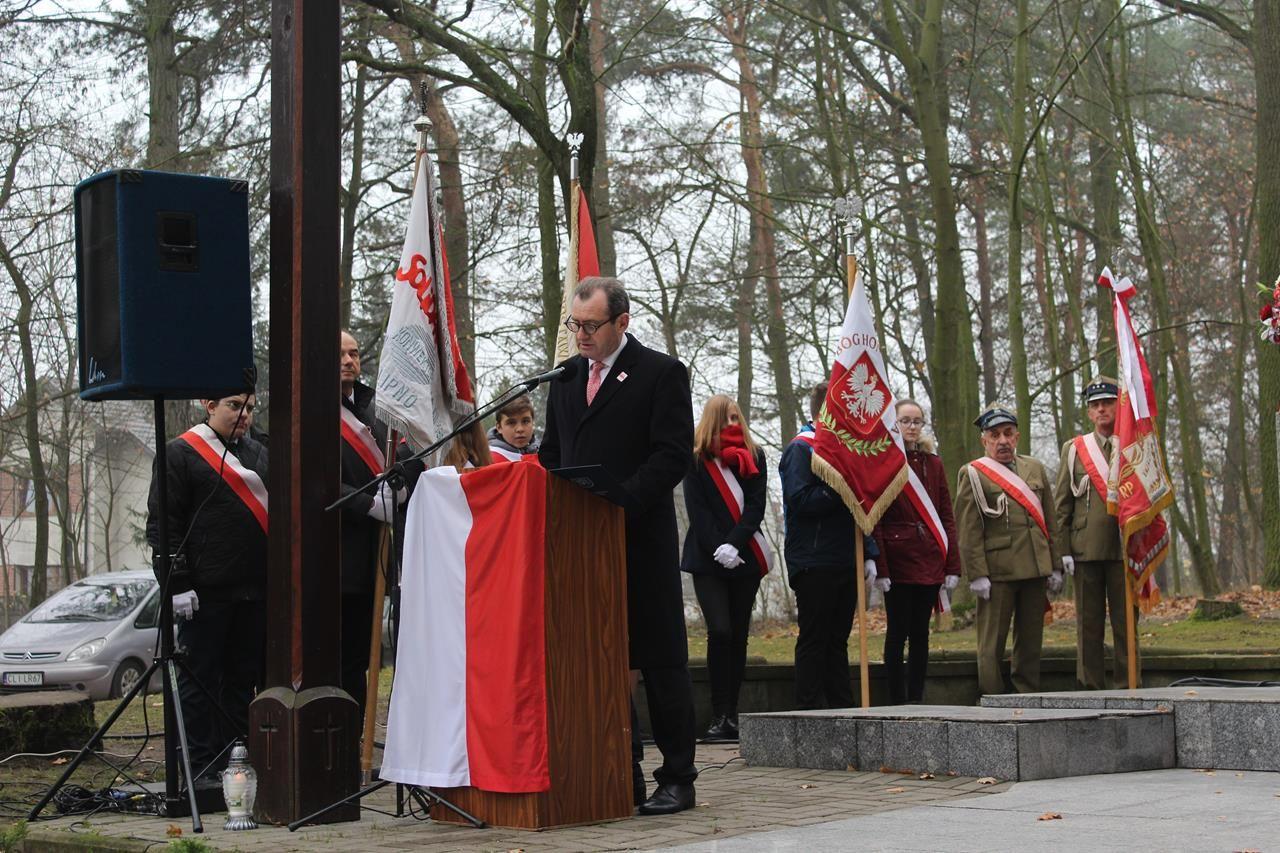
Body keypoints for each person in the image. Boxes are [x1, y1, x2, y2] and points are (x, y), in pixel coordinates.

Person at [539, 276, 698, 816]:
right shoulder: (563, 379)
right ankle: (616, 770)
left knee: (659, 660)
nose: (580, 335)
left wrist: (623, 501)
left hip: (638, 538)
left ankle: (678, 777)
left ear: (622, 323)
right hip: (579, 546)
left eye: (590, 326)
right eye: (574, 325)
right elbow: (552, 456)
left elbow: (673, 454)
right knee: (598, 660)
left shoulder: (660, 373)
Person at [146, 392, 266, 778]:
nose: (243, 415)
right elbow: (164, 525)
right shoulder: (180, 453)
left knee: (241, 683)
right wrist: (177, 582)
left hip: (253, 589)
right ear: (209, 405)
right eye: (234, 406)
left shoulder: (260, 453)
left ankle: (236, 764)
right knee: (200, 682)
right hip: (204, 592)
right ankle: (199, 766)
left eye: (248, 407)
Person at [779, 381, 881, 711]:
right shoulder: (802, 448)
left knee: (838, 640)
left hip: (844, 556)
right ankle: (809, 709)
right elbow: (799, 499)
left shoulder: (847, 451)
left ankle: (842, 707)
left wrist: (868, 551)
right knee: (815, 637)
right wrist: (840, 487)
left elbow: (860, 507)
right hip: (814, 558)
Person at [953, 403, 1063, 696]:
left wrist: (1055, 564)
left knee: (1030, 639)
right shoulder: (974, 474)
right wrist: (977, 574)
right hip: (998, 571)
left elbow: (1050, 520)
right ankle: (992, 696)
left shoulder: (1034, 468)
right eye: (994, 435)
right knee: (992, 642)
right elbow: (968, 529)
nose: (1002, 440)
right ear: (984, 440)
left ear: (1016, 437)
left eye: (1007, 433)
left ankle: (1027, 693)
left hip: (1035, 566)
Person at [680, 394, 769, 743]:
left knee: (739, 634)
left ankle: (732, 713)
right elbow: (697, 510)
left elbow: (756, 505)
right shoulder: (698, 460)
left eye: (736, 418)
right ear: (712, 421)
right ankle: (718, 715)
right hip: (708, 558)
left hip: (744, 556)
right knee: (720, 631)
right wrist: (719, 546)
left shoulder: (755, 455)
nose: (733, 424)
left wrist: (736, 542)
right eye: (726, 419)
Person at [338, 330, 411, 712]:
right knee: (346, 659)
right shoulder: (311, 410)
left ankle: (363, 746)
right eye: (341, 355)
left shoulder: (376, 407)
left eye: (354, 354)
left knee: (369, 658)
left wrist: (401, 486)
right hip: (339, 559)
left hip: (380, 553)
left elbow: (399, 454)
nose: (350, 361)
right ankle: (345, 744)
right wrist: (368, 504)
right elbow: (313, 480)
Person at [871, 399, 961, 704]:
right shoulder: (883, 461)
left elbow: (946, 515)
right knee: (897, 633)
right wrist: (881, 568)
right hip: (897, 560)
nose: (911, 427)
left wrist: (952, 565)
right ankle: (896, 698)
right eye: (905, 421)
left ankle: (917, 697)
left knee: (921, 634)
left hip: (929, 558)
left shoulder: (932, 463)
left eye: (917, 421)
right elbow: (877, 518)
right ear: (894, 424)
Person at [1055, 376, 1139, 689]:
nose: (1101, 409)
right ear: (1089, 412)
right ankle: (1089, 685)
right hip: (1084, 549)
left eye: (1107, 402)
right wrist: (1062, 550)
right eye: (1095, 405)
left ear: (1119, 405)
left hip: (1123, 548)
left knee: (1126, 623)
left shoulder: (1133, 444)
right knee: (1088, 624)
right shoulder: (1076, 449)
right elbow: (1063, 504)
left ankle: (1127, 683)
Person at [487, 394, 540, 461]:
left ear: (533, 423)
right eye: (511, 423)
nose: (520, 429)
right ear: (499, 427)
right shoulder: (488, 460)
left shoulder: (545, 457)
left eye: (526, 421)